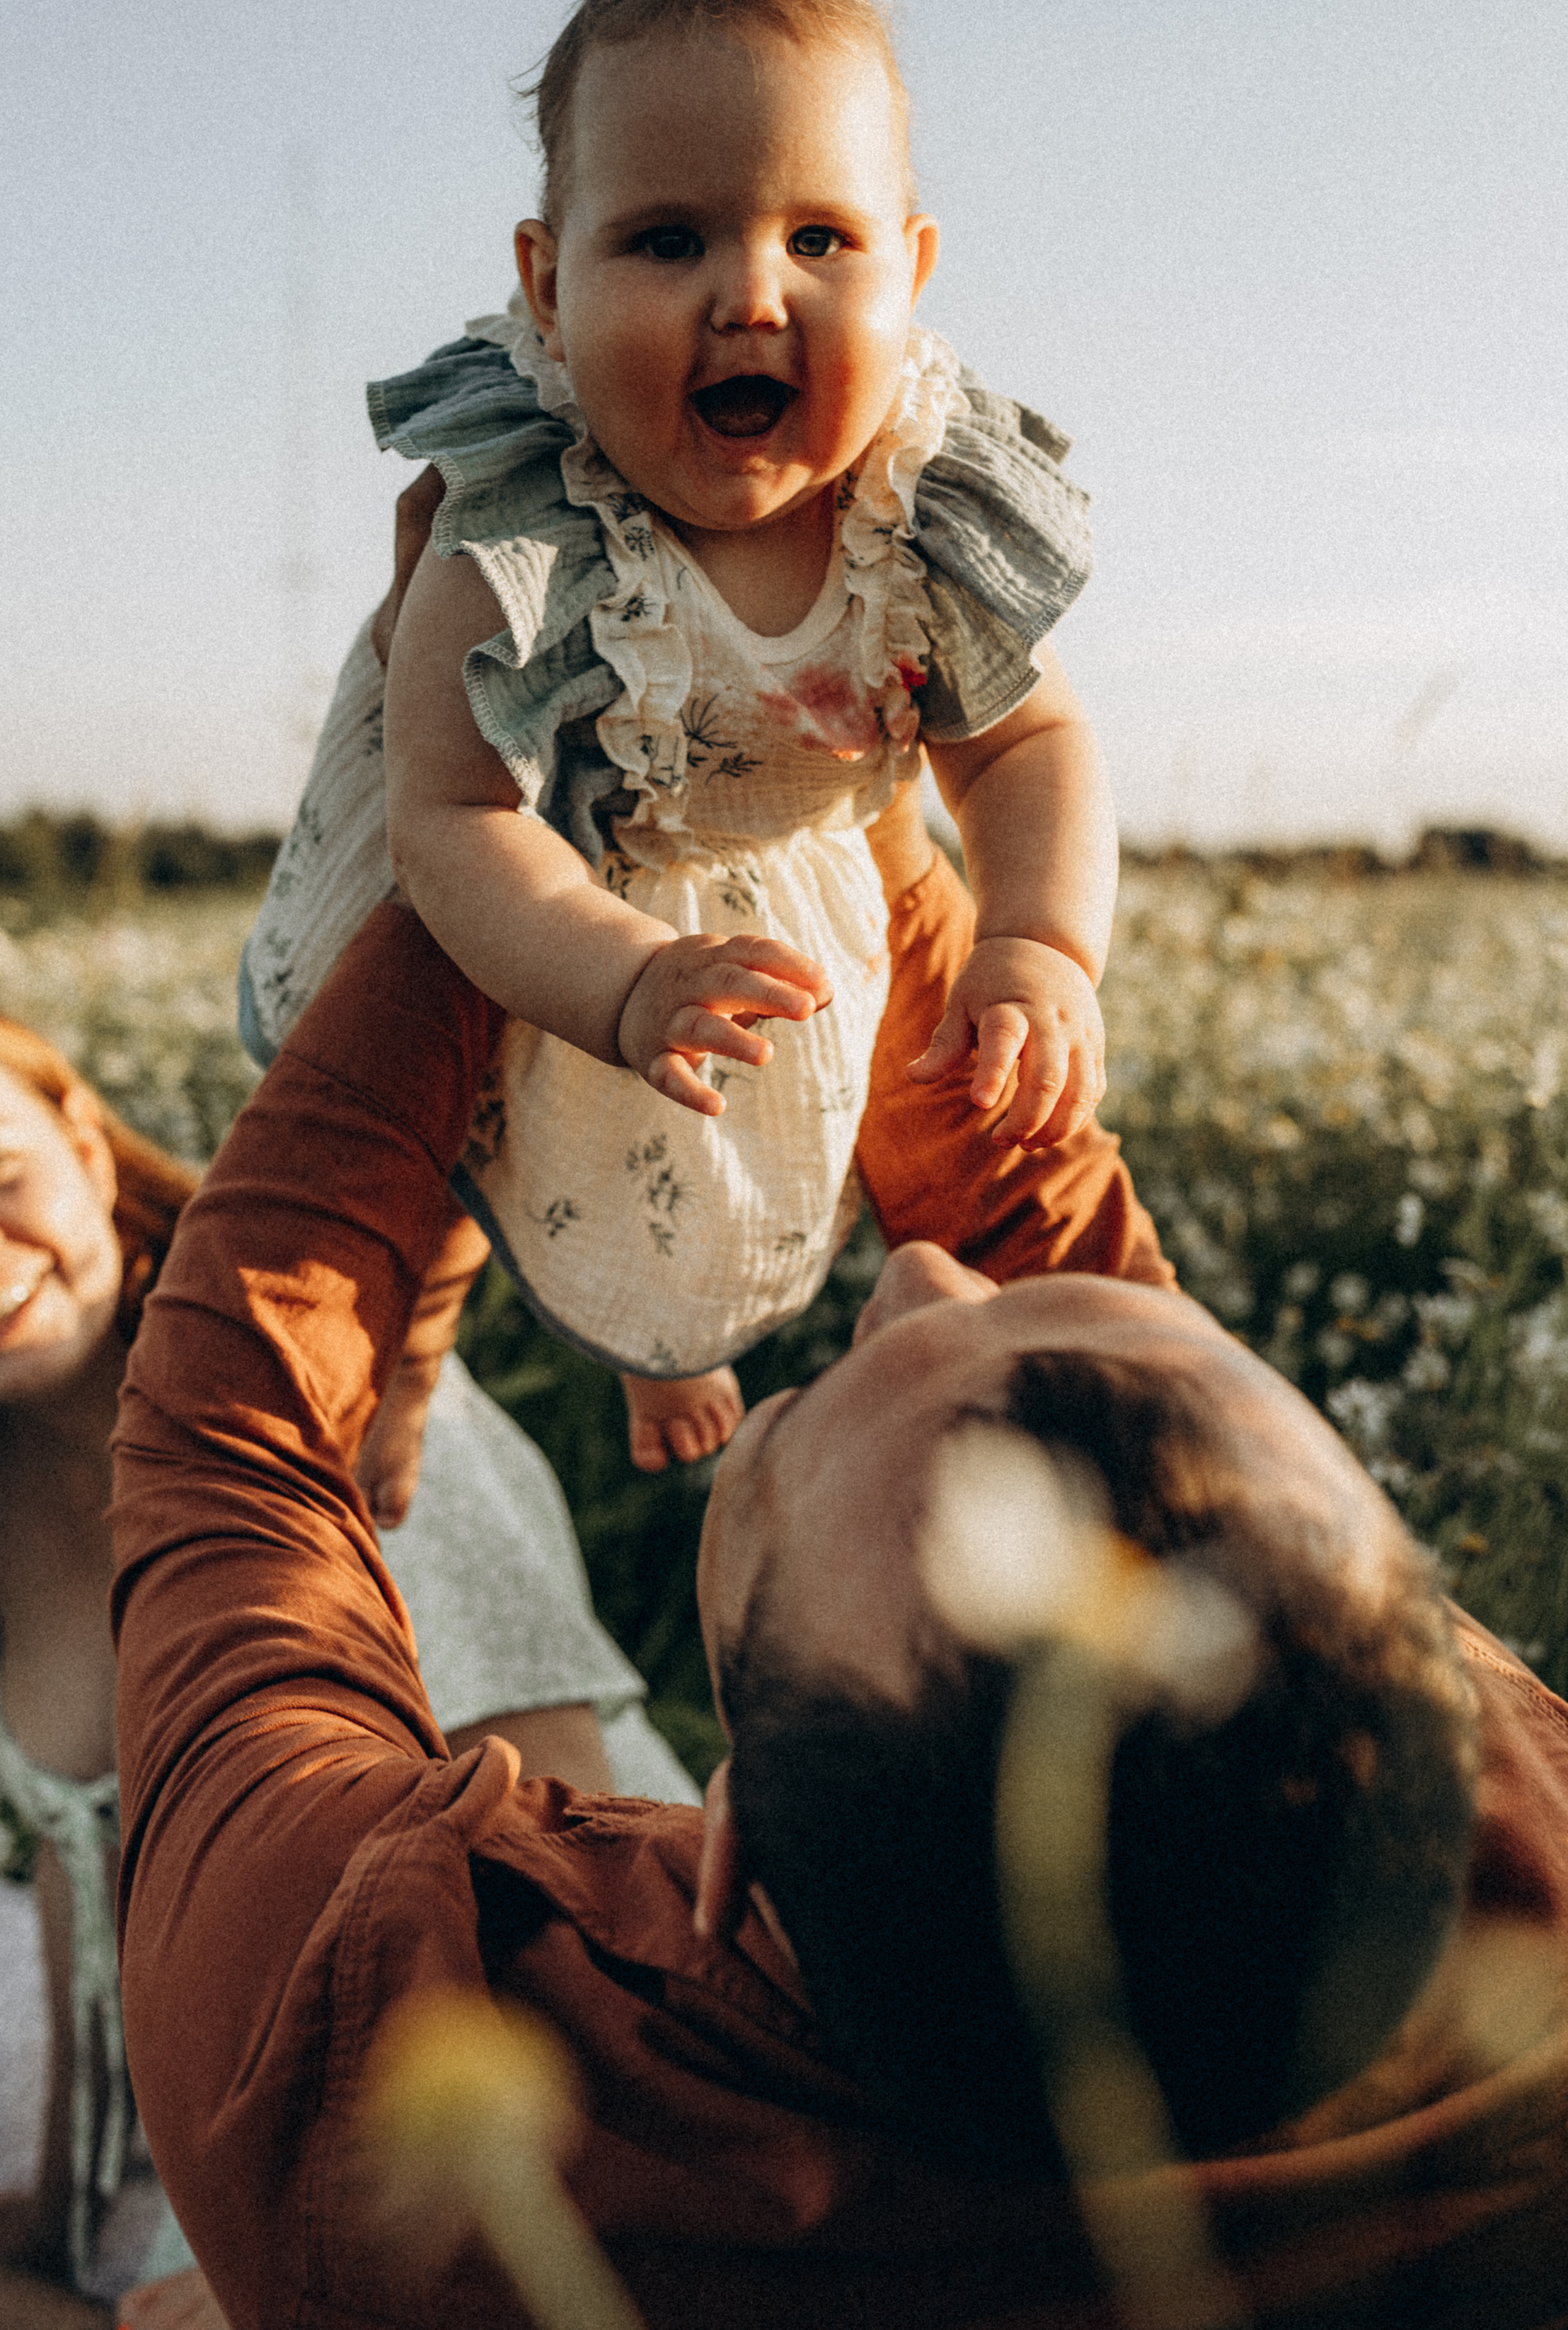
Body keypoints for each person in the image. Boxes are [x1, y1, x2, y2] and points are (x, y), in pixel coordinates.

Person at [113, 861, 1568, 2327]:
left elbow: (225, 1447)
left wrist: (499, 864)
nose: (925, 1269)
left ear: (728, 1850)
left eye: (808, 1402)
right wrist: (841, 823)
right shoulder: (1517, 1806)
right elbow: (1048, 1260)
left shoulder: (365, 2097)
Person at [242, 0, 1118, 1477]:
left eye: (819, 240)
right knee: (453, 1102)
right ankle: (413, 1340)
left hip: (773, 856)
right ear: (547, 280)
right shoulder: (528, 523)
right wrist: (616, 975)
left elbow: (1027, 743)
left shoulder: (915, 509)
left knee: (720, 1147)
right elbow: (451, 824)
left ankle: (671, 1348)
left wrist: (1037, 940)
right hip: (527, 860)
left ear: (909, 271)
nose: (751, 295)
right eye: (665, 242)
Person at [0, 986, 691, 2321]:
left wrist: (293, 2259)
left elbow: (575, 1858)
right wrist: (49, 2207)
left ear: (86, 1146)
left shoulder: (323, 1385)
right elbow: (85, 1863)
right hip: (263, 2082)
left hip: (558, 2082)